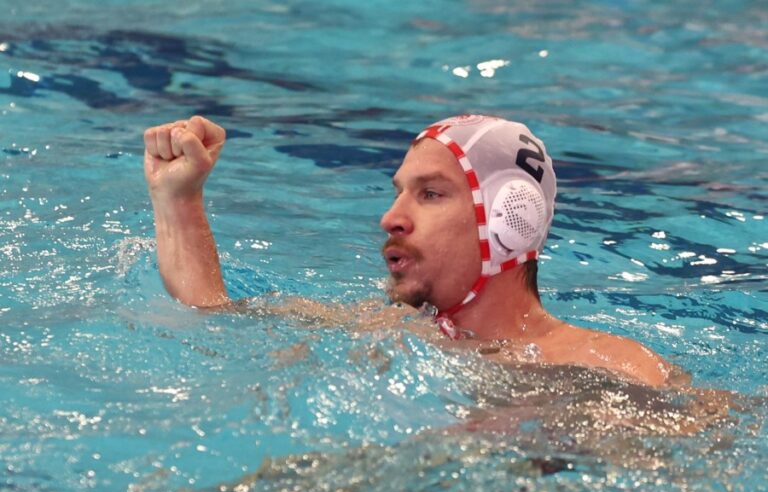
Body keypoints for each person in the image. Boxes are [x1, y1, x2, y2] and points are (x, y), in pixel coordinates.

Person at [143, 114, 673, 387]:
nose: (390, 217)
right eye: (398, 192)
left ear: (510, 218)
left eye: (430, 194)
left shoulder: (611, 365)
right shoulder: (378, 330)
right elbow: (214, 318)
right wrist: (178, 199)